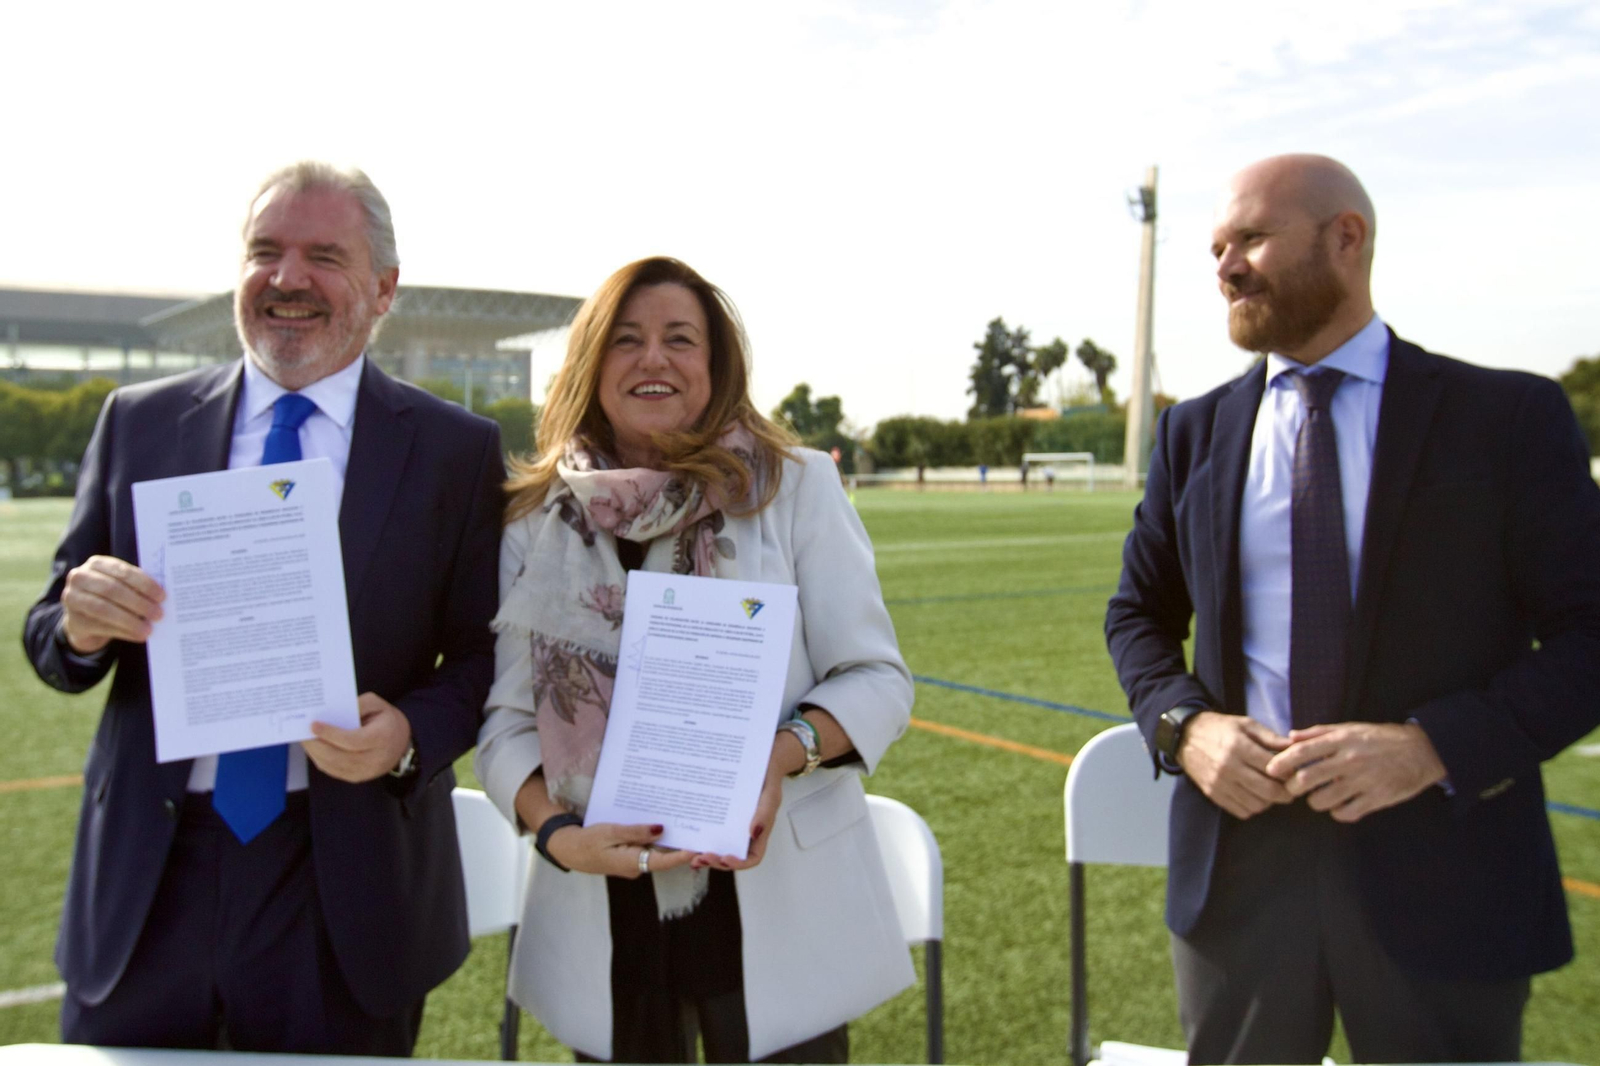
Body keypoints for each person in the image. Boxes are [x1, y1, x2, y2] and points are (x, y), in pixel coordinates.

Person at [1104, 154, 1600, 1064]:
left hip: (1449, 875)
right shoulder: (1192, 433)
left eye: (1251, 239)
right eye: (1216, 249)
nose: (1225, 267)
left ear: (1347, 237)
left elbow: (1591, 635)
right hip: (1240, 880)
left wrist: (1433, 747)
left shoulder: (1506, 418)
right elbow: (1137, 614)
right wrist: (1186, 728)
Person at [22, 161, 503, 1054]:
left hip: (345, 881)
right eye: (265, 252)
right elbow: (52, 632)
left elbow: (485, 659)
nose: (288, 278)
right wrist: (79, 625)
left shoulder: (456, 450)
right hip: (151, 871)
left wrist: (406, 735)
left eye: (325, 256)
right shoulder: (139, 422)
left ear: (384, 288)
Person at [475, 256, 914, 1063]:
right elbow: (506, 729)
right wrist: (559, 835)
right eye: (626, 339)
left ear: (716, 367)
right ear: (591, 362)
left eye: (680, 339)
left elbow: (878, 680)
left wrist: (780, 755)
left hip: (778, 901)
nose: (654, 358)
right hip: (607, 902)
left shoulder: (794, 488)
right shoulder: (537, 520)